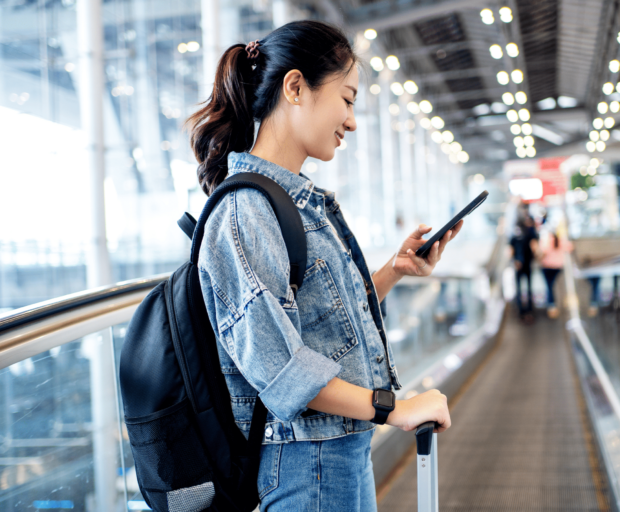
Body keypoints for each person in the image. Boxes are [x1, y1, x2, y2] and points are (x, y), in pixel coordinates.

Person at [187, 21, 455, 512]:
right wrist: (392, 408)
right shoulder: (246, 211)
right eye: (347, 99)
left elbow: (320, 323)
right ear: (295, 87)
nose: (351, 121)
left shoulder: (291, 201)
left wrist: (394, 270)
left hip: (334, 452)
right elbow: (282, 369)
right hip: (302, 464)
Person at [509, 213, 538, 323]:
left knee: (519, 289)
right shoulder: (529, 232)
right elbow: (534, 246)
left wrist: (514, 261)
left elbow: (510, 250)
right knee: (529, 288)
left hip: (517, 265)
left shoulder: (513, 234)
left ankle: (521, 312)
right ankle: (529, 311)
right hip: (527, 264)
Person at [538, 228, 573, 318]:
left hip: (547, 267)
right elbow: (571, 247)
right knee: (554, 285)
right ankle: (556, 305)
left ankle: (552, 306)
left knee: (549, 286)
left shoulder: (547, 240)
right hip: (558, 267)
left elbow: (543, 253)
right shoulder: (562, 241)